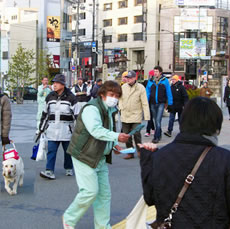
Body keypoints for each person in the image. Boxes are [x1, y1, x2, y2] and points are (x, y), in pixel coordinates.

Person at [140, 97, 230, 228]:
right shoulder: (225, 159)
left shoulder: (160, 156)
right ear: (215, 126)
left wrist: (147, 159)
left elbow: (150, 198)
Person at [63, 81, 130, 229]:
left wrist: (113, 145)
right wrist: (116, 137)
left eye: (117, 96)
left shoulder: (109, 110)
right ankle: (69, 218)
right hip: (84, 155)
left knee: (104, 195)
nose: (114, 98)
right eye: (111, 95)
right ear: (102, 94)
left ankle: (102, 226)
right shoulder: (92, 109)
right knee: (90, 192)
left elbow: (106, 132)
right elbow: (96, 130)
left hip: (99, 156)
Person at [39, 74, 79, 180]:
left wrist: (79, 131)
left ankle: (69, 167)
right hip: (52, 129)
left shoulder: (71, 97)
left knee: (68, 152)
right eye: (53, 83)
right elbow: (45, 114)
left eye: (56, 83)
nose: (54, 85)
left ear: (62, 84)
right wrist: (41, 129)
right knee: (51, 151)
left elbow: (77, 116)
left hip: (67, 130)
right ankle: (49, 171)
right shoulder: (50, 97)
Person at [119, 70, 150, 159]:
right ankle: (130, 152)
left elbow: (144, 102)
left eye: (130, 78)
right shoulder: (123, 87)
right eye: (127, 78)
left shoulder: (141, 88)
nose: (127, 79)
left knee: (137, 134)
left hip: (136, 114)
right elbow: (120, 99)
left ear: (134, 78)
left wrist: (147, 116)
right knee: (126, 135)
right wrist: (121, 107)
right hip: (125, 114)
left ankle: (140, 150)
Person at [146, 66, 173, 143]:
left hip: (161, 103)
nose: (155, 73)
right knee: (155, 121)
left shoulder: (165, 81)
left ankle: (156, 137)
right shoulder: (150, 81)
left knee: (158, 121)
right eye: (154, 71)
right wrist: (146, 102)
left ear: (160, 72)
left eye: (156, 71)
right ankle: (159, 133)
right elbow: (147, 92)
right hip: (152, 103)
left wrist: (170, 103)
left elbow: (169, 92)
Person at [144, 70, 155, 137]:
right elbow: (147, 93)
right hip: (149, 102)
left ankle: (152, 129)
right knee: (149, 117)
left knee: (154, 118)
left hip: (156, 102)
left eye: (150, 75)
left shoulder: (156, 83)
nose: (149, 76)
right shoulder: (148, 82)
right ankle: (149, 130)